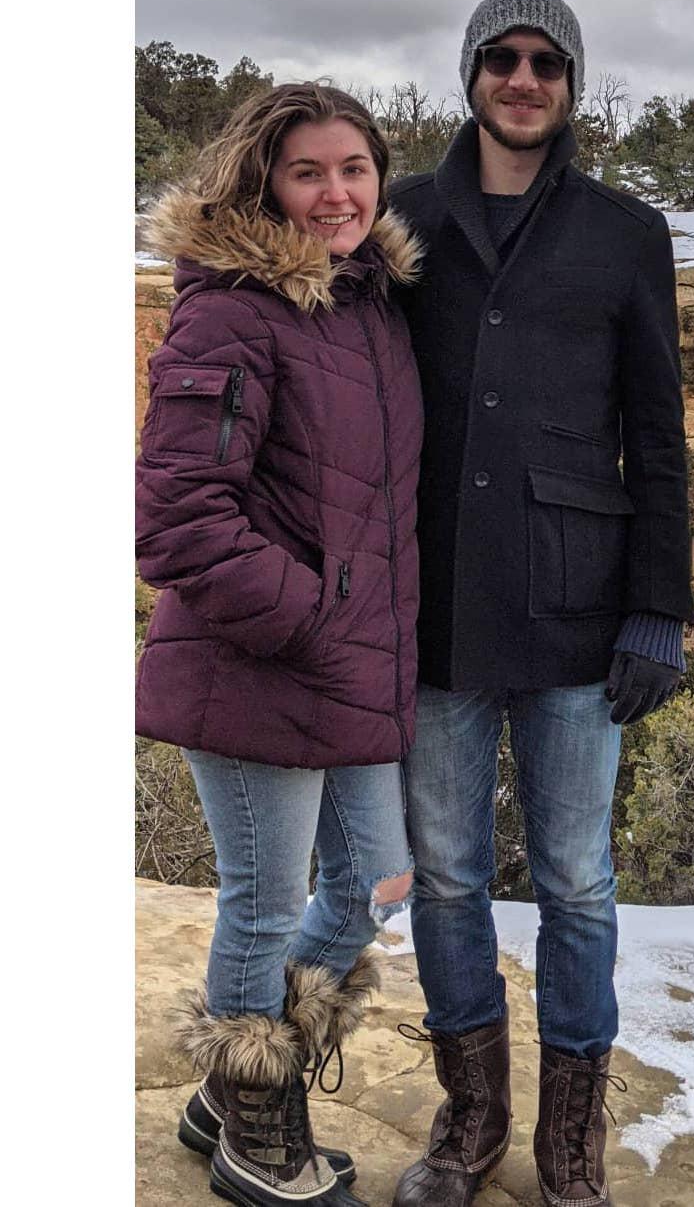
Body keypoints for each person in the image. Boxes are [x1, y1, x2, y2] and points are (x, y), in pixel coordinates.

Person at [388, 0, 694, 1207]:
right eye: (502, 58)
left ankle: (569, 1140)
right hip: (437, 607)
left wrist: (658, 608)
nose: (524, 80)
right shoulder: (402, 219)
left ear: (572, 85)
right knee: (449, 874)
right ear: (470, 73)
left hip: (578, 604)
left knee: (575, 879)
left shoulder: (627, 233)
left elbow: (659, 435)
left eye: (547, 63)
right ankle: (471, 1122)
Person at [135, 82, 424, 1207]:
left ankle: (227, 1091)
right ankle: (260, 1131)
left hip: (352, 666)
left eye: (354, 168)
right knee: (264, 901)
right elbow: (177, 516)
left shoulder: (372, 306)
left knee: (380, 880)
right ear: (265, 181)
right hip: (260, 664)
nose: (336, 193)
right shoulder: (232, 312)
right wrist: (309, 619)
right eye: (308, 171)